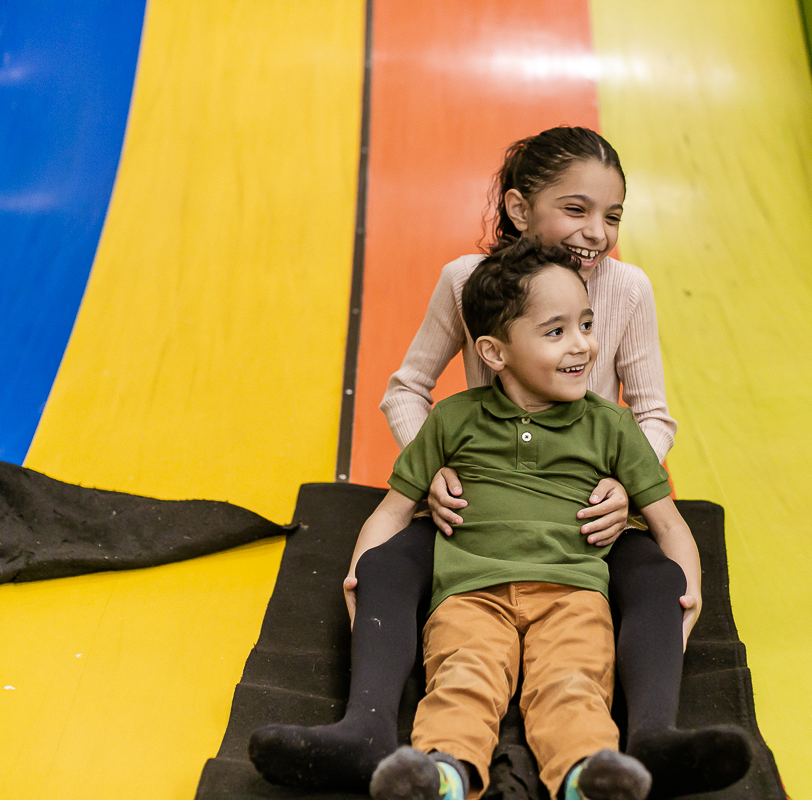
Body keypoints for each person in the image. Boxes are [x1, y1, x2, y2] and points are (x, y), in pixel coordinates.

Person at [249, 127, 750, 795]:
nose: (597, 232)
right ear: (519, 210)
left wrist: (624, 486)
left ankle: (652, 734)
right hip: (479, 506)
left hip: (582, 510)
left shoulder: (626, 291)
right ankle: (367, 726)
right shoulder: (467, 282)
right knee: (389, 566)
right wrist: (434, 469)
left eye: (613, 216)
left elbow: (652, 413)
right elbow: (408, 389)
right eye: (576, 210)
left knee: (654, 576)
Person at [364, 239, 701, 800]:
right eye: (556, 332)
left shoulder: (611, 426)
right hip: (470, 594)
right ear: (494, 353)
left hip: (573, 594)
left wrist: (683, 612)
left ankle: (587, 777)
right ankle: (442, 775)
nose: (583, 346)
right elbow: (390, 513)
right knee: (461, 678)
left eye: (587, 324)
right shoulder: (452, 420)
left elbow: (669, 524)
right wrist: (361, 590)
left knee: (572, 683)